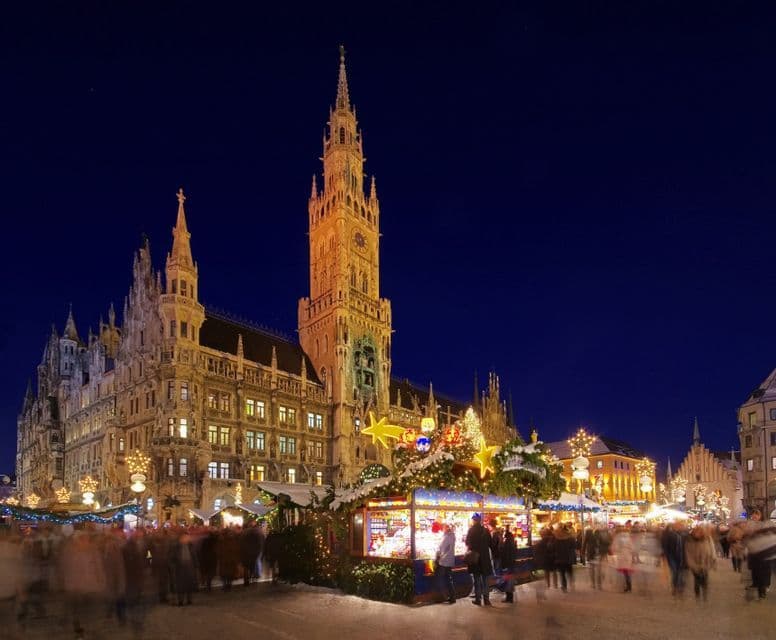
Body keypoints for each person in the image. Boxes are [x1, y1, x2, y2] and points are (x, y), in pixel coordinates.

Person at [465, 513, 493, 606]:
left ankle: (478, 599)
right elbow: (490, 543)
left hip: (475, 559)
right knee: (485, 580)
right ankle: (486, 600)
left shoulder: (471, 530)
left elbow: (467, 543)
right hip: (485, 558)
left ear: (474, 520)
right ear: (480, 520)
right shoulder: (485, 530)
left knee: (477, 579)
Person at [684, 525, 715, 602]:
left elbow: (712, 549)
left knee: (705, 579)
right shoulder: (689, 541)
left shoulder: (708, 539)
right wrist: (692, 564)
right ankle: (697, 596)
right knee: (697, 580)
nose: (698, 533)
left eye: (700, 532)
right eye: (696, 532)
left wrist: (713, 559)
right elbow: (688, 553)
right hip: (695, 564)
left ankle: (705, 595)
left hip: (705, 562)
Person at [661, 520, 687, 596]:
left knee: (681, 572)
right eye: (677, 525)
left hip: (682, 556)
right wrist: (665, 555)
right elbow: (665, 545)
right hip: (672, 556)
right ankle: (675, 587)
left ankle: (680, 586)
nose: (678, 527)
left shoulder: (684, 535)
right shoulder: (669, 535)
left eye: (680, 526)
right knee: (675, 572)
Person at [435, 523, 456, 604]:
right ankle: (452, 597)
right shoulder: (452, 536)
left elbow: (441, 548)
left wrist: (437, 556)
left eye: (443, 528)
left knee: (439, 579)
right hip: (450, 561)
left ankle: (442, 596)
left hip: (443, 561)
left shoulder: (446, 537)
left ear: (445, 528)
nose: (442, 529)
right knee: (449, 579)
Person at [498, 524, 517, 603]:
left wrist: (500, 543)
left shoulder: (506, 543)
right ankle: (510, 597)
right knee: (510, 580)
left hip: (507, 564)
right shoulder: (512, 542)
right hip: (511, 564)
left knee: (507, 580)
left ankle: (509, 598)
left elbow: (503, 553)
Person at [612, 525, 634, 593]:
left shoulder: (619, 538)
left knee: (623, 572)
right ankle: (629, 585)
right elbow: (632, 548)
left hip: (621, 556)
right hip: (628, 556)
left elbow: (615, 547)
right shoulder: (629, 538)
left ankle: (626, 586)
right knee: (627, 571)